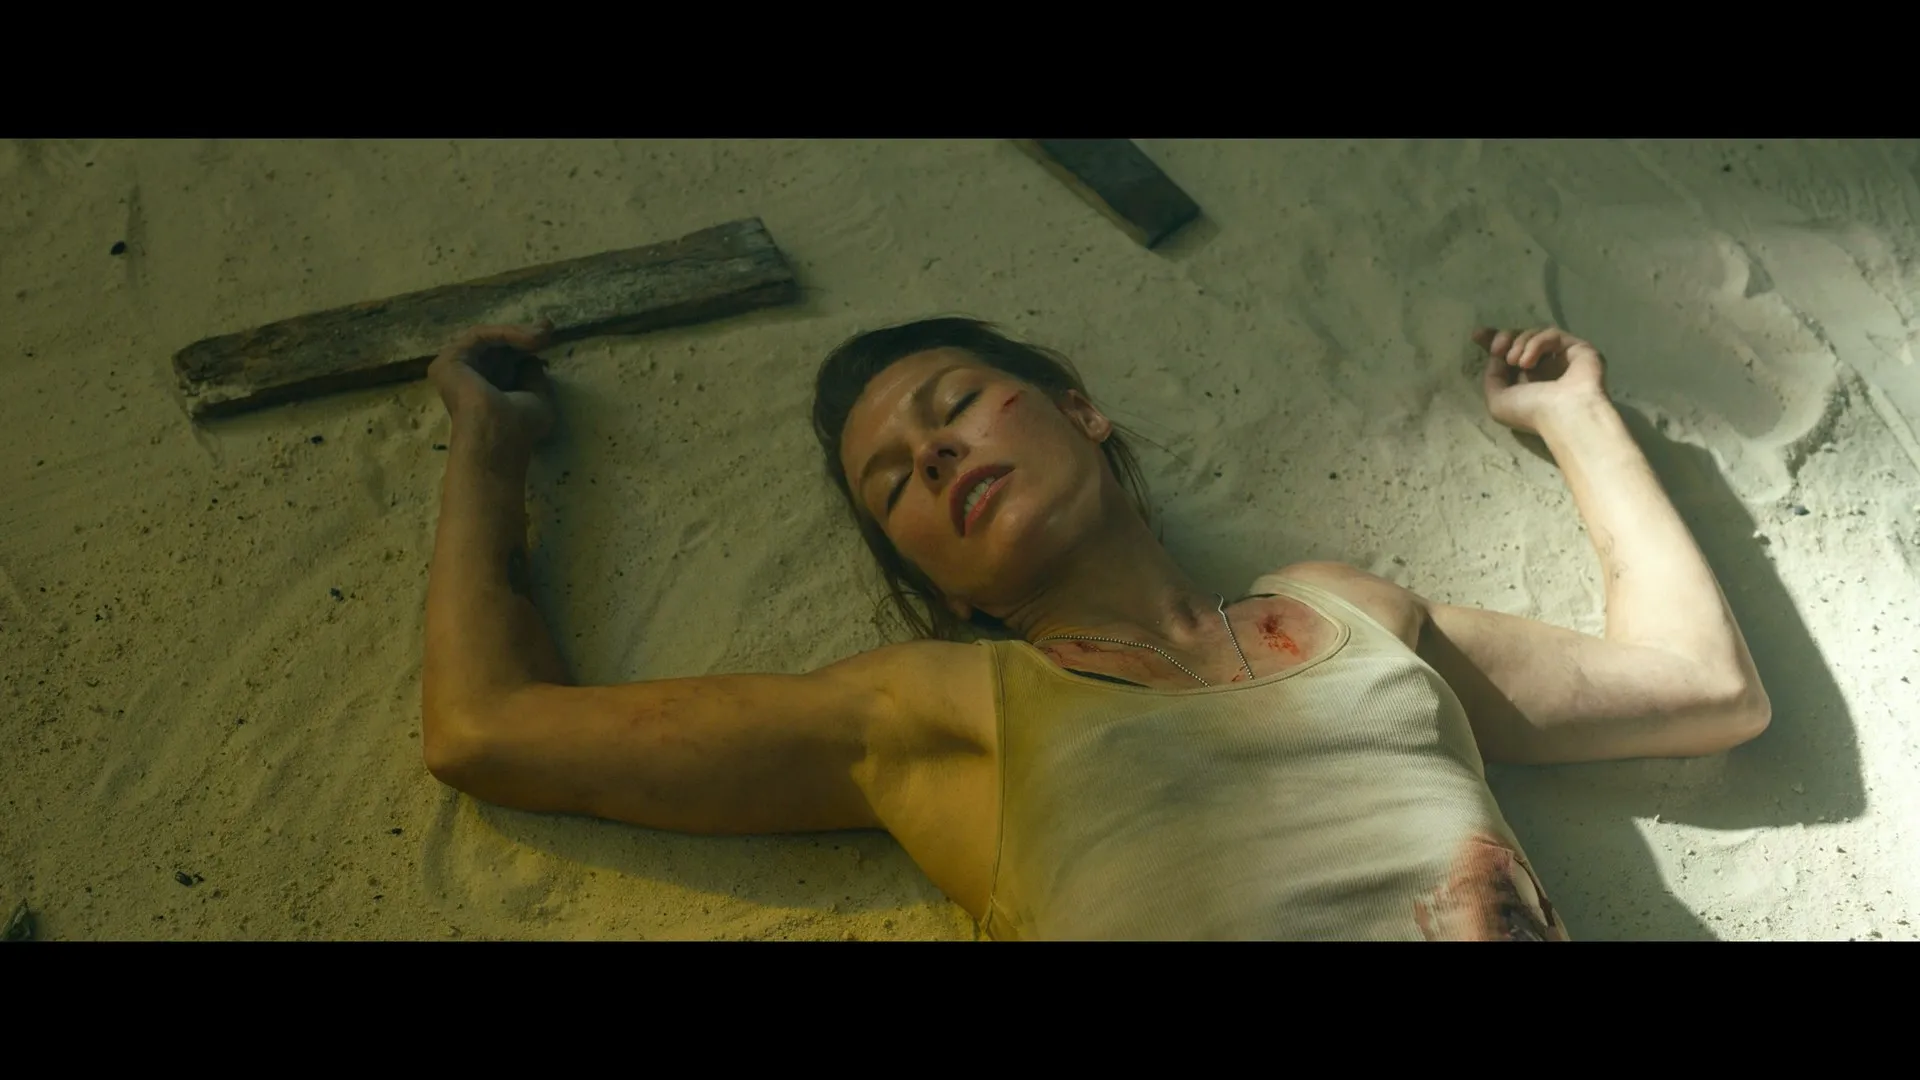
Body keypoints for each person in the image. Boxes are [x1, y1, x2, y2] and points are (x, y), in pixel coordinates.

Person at [418, 316, 1770, 941]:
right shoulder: (939, 711)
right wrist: (490, 446)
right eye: (893, 484)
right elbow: (486, 731)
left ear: (1080, 409)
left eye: (955, 406)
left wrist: (1573, 419)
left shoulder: (1349, 612)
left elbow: (1700, 685)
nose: (934, 455)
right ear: (936, 580)